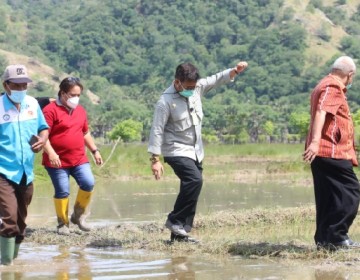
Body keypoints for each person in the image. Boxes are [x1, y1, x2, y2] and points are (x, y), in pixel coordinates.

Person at [148, 61, 248, 243]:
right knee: (194, 180)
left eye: (193, 87)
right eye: (187, 87)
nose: (191, 90)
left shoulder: (197, 88)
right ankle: (174, 220)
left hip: (195, 150)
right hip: (175, 149)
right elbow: (156, 130)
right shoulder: (165, 102)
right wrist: (155, 159)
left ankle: (180, 235)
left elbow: (215, 79)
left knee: (193, 188)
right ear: (177, 82)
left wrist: (234, 71)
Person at [303, 55, 360, 250]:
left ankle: (325, 240)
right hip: (331, 152)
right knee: (351, 192)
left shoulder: (322, 85)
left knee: (328, 197)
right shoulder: (332, 87)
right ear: (349, 75)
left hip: (325, 152)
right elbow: (321, 112)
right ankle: (337, 236)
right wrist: (317, 142)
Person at [0, 64, 49, 265]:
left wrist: (43, 140)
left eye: (24, 85)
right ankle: (6, 264)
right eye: (17, 85)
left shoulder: (32, 104)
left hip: (26, 172)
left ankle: (14, 260)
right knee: (9, 218)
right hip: (3, 172)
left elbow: (43, 127)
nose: (21, 89)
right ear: (6, 85)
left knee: (20, 222)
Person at [42, 77, 103, 235]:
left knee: (88, 182)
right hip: (57, 161)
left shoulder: (80, 111)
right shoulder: (50, 110)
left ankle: (78, 216)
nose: (76, 98)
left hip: (79, 159)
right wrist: (52, 153)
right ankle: (63, 223)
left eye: (78, 95)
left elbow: (85, 133)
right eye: (72, 95)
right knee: (62, 190)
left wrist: (95, 150)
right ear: (62, 93)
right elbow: (43, 136)